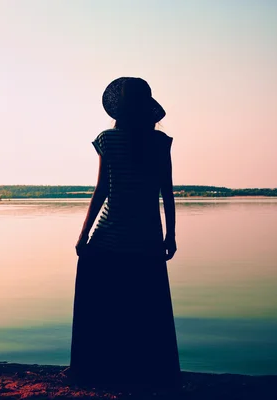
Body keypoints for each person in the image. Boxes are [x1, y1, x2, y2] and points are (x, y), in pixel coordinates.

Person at [69, 77, 181, 390]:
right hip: (146, 241)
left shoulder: (107, 139)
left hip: (108, 238)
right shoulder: (161, 143)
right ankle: (146, 372)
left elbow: (101, 190)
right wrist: (170, 235)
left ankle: (95, 370)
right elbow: (166, 194)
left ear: (119, 109)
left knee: (105, 308)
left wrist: (83, 235)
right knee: (145, 311)